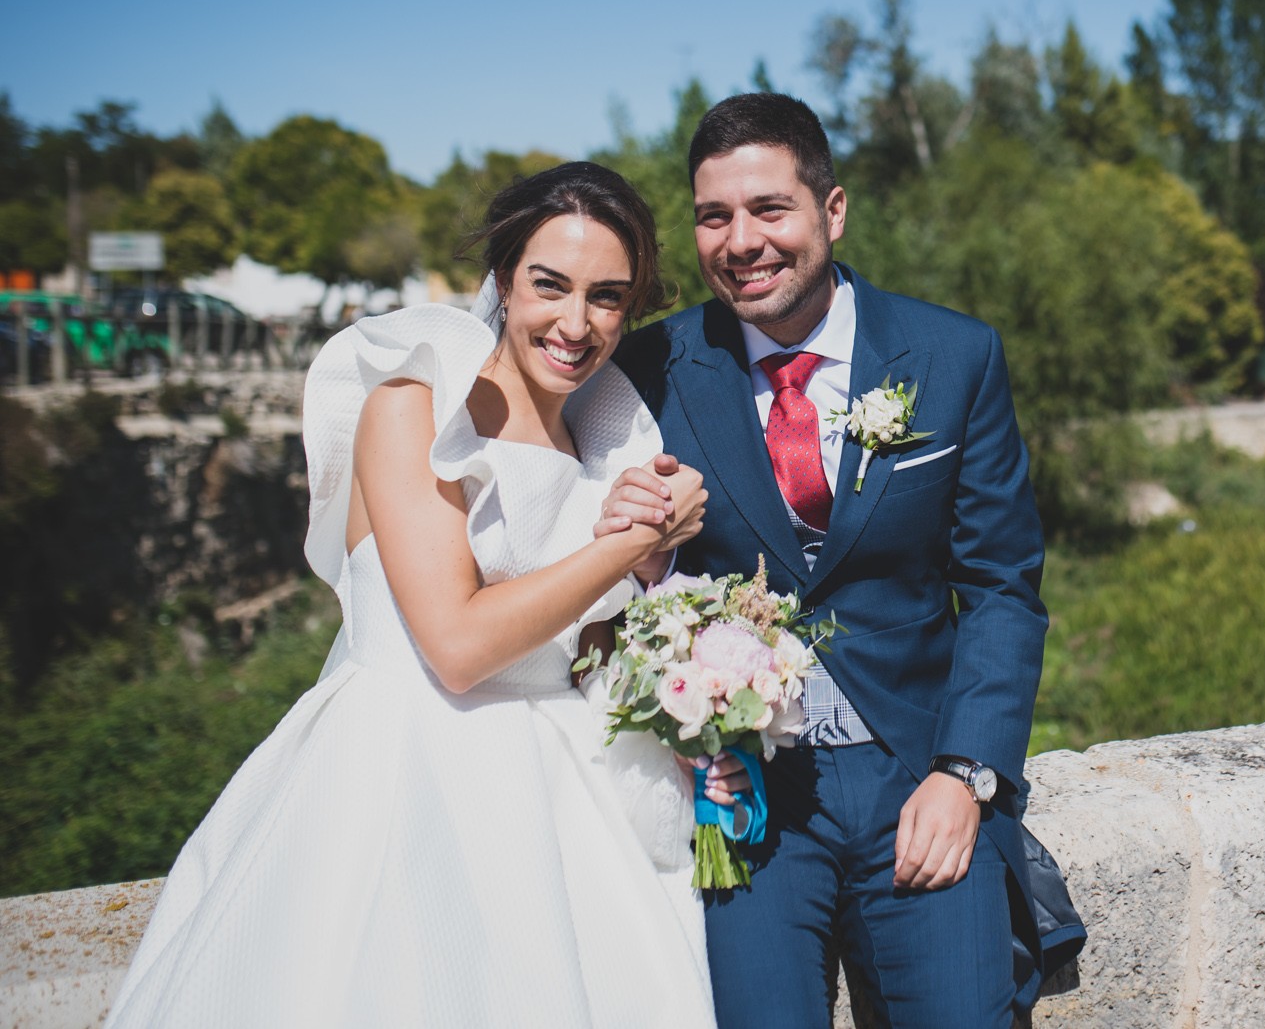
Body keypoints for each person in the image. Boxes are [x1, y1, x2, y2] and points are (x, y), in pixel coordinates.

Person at [108, 163, 725, 1029]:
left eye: (608, 297)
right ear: (504, 278)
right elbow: (459, 646)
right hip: (405, 779)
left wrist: (652, 587)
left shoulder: (602, 436)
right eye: (550, 285)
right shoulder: (413, 405)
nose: (576, 323)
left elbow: (576, 641)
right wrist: (631, 544)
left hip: (566, 799)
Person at [603, 94, 1055, 1028]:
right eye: (714, 216)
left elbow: (1003, 586)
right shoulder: (648, 369)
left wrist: (966, 771)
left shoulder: (954, 356)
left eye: (770, 209)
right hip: (746, 791)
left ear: (832, 210)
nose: (741, 241)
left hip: (915, 771)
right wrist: (622, 536)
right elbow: (614, 566)